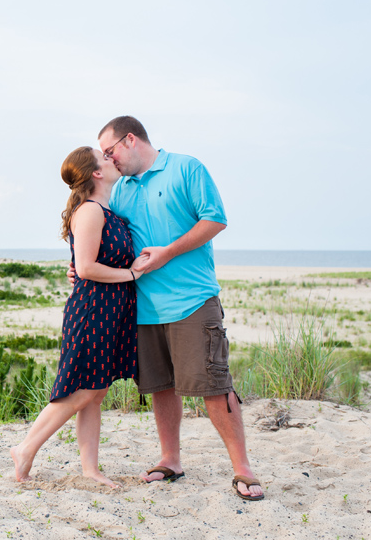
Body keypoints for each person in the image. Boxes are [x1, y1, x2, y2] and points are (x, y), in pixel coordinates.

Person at [73, 115, 264, 500]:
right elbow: (100, 234)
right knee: (161, 387)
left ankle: (243, 469)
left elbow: (215, 220)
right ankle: (171, 459)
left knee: (214, 385)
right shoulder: (120, 189)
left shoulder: (186, 168)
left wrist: (167, 254)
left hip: (192, 300)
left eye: (110, 151)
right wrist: (80, 265)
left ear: (130, 140)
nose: (109, 161)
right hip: (141, 307)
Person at [11, 146, 145, 487]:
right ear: (96, 173)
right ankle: (25, 448)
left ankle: (90, 469)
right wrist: (131, 275)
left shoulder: (105, 210)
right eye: (105, 158)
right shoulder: (90, 212)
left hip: (110, 311)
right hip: (93, 311)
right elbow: (86, 268)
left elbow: (82, 264)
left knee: (95, 392)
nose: (112, 160)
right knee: (82, 391)